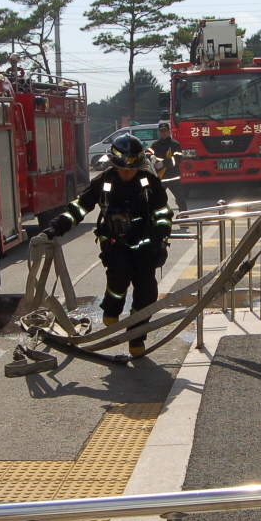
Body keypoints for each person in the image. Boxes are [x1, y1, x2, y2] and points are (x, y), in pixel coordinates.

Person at [42, 132, 172, 356]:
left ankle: (136, 337)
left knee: (147, 293)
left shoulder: (149, 183)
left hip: (146, 246)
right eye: (122, 169)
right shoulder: (103, 182)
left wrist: (161, 242)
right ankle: (111, 310)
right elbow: (80, 207)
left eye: (132, 169)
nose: (127, 173)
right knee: (118, 280)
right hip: (115, 245)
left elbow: (163, 214)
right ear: (114, 164)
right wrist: (55, 228)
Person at [147, 121, 188, 212]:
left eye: (165, 131)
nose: (163, 133)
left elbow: (178, 159)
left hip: (173, 177)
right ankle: (156, 216)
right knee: (157, 199)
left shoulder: (174, 144)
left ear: (169, 131)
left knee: (180, 199)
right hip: (161, 178)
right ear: (159, 132)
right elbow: (147, 152)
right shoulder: (156, 144)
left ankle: (184, 216)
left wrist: (164, 163)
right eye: (162, 131)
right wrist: (151, 156)